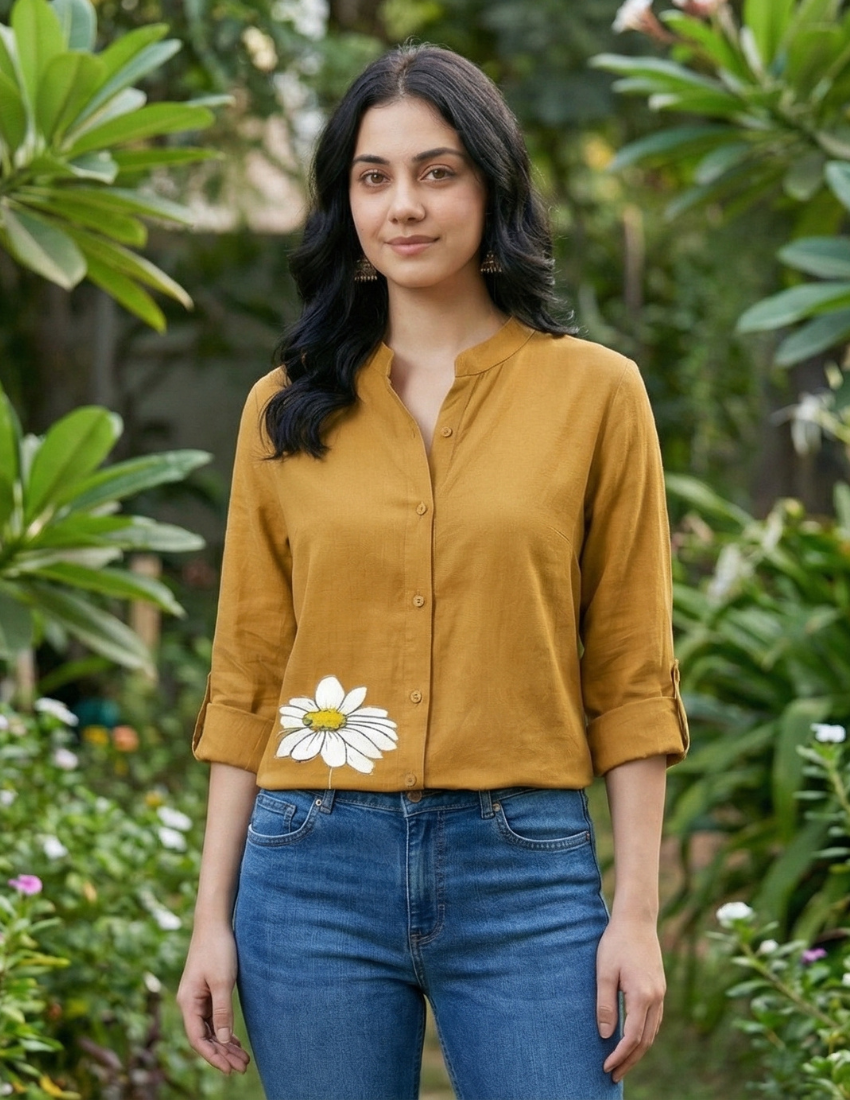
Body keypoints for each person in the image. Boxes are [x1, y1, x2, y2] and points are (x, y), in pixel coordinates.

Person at [177, 43, 689, 1100]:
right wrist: (209, 919)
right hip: (310, 864)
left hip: (525, 868)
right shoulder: (284, 407)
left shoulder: (597, 395)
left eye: (436, 172)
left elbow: (633, 672)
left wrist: (636, 914)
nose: (402, 205)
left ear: (492, 188)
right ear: (346, 202)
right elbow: (248, 675)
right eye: (374, 177)